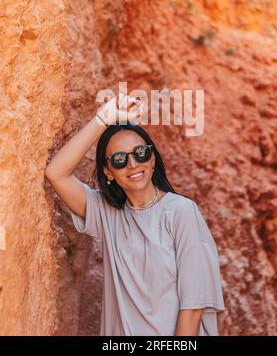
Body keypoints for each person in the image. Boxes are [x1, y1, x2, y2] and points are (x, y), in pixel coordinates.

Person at [45, 93, 225, 336]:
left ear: (152, 159)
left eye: (140, 153)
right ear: (108, 172)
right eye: (119, 160)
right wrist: (103, 119)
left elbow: (193, 306)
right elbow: (56, 173)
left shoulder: (181, 212)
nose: (133, 165)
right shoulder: (106, 213)